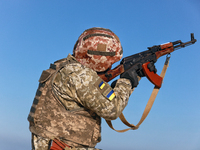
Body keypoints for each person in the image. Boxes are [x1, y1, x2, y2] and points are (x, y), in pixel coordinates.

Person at [28, 27, 155, 150]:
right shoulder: (79, 75)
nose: (111, 66)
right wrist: (128, 80)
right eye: (110, 61)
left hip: (54, 142)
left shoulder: (64, 67)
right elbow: (112, 109)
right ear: (100, 59)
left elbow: (94, 96)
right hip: (64, 146)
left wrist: (127, 80)